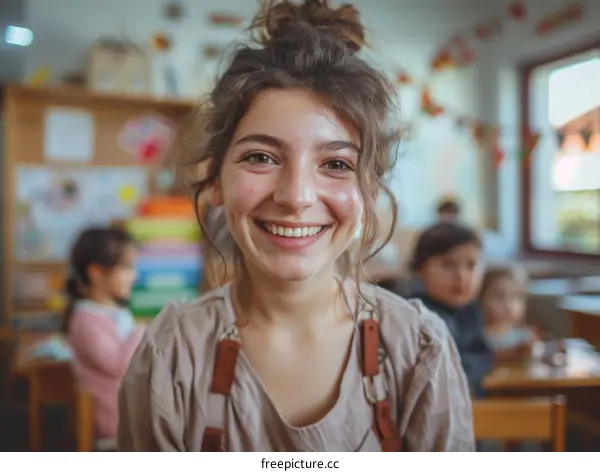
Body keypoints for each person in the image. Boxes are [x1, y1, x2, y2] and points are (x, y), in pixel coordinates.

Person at [118, 0, 474, 452]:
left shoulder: (419, 349)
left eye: (336, 163)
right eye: (261, 157)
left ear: (369, 189)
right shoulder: (170, 354)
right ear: (215, 180)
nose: (296, 196)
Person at [65, 227, 145, 439]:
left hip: (132, 411)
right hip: (114, 420)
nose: (134, 275)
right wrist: (140, 331)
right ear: (96, 272)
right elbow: (121, 365)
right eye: (126, 267)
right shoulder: (87, 320)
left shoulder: (114, 312)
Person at [409, 222, 493, 397]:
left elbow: (484, 355)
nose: (461, 277)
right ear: (420, 270)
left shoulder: (471, 310)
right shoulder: (415, 314)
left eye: (471, 266)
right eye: (448, 265)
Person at [480, 265, 539, 363]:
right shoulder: (476, 338)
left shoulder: (523, 336)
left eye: (516, 297)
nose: (508, 305)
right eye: (499, 297)